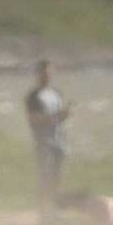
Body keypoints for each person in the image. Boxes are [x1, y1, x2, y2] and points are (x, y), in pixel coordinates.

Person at [25, 59, 69, 215]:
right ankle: (42, 210)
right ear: (38, 75)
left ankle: (55, 207)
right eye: (44, 73)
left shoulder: (56, 93)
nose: (47, 76)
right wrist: (55, 117)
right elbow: (33, 119)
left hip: (59, 139)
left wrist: (63, 116)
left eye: (49, 73)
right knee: (45, 174)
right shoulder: (34, 96)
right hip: (43, 141)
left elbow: (59, 116)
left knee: (58, 175)